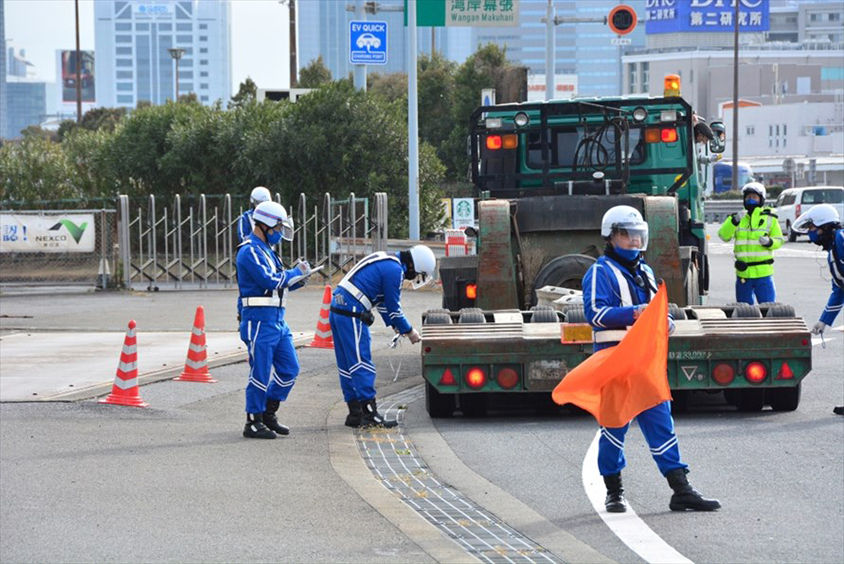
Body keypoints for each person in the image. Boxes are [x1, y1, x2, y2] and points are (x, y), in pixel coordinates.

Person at [583, 205, 721, 513]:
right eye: (626, 236)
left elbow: (655, 311)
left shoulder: (645, 271)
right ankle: (614, 491)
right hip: (615, 366)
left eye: (637, 236)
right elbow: (596, 315)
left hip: (646, 365)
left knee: (662, 427)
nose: (633, 242)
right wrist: (634, 313)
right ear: (610, 237)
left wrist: (664, 320)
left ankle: (681, 489)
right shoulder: (599, 272)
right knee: (613, 430)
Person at [330, 245, 436, 428]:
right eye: (418, 273)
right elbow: (394, 309)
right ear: (414, 267)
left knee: (348, 365)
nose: (413, 278)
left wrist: (395, 326)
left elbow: (383, 304)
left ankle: (355, 413)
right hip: (352, 311)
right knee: (361, 363)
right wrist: (410, 331)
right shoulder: (395, 270)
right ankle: (369, 415)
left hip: (338, 308)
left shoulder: (387, 259)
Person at [236, 201, 309, 439]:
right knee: (260, 372)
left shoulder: (268, 251)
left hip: (277, 320)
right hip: (258, 322)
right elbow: (269, 280)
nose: (279, 233)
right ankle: (253, 420)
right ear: (265, 225)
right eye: (277, 228)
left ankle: (268, 411)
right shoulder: (249, 250)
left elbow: (279, 285)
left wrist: (299, 278)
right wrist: (294, 273)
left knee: (290, 369)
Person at [792, 203, 844, 416]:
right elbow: (840, 289)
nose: (811, 232)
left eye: (813, 227)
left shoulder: (842, 240)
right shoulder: (834, 248)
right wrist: (824, 320)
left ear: (825, 226)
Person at [718, 181, 784, 304]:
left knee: (769, 309)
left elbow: (779, 240)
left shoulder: (770, 218)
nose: (750, 200)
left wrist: (770, 242)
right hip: (743, 273)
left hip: (763, 273)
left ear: (761, 199)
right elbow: (723, 235)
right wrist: (734, 221)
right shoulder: (737, 218)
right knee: (744, 311)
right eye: (748, 197)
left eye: (754, 197)